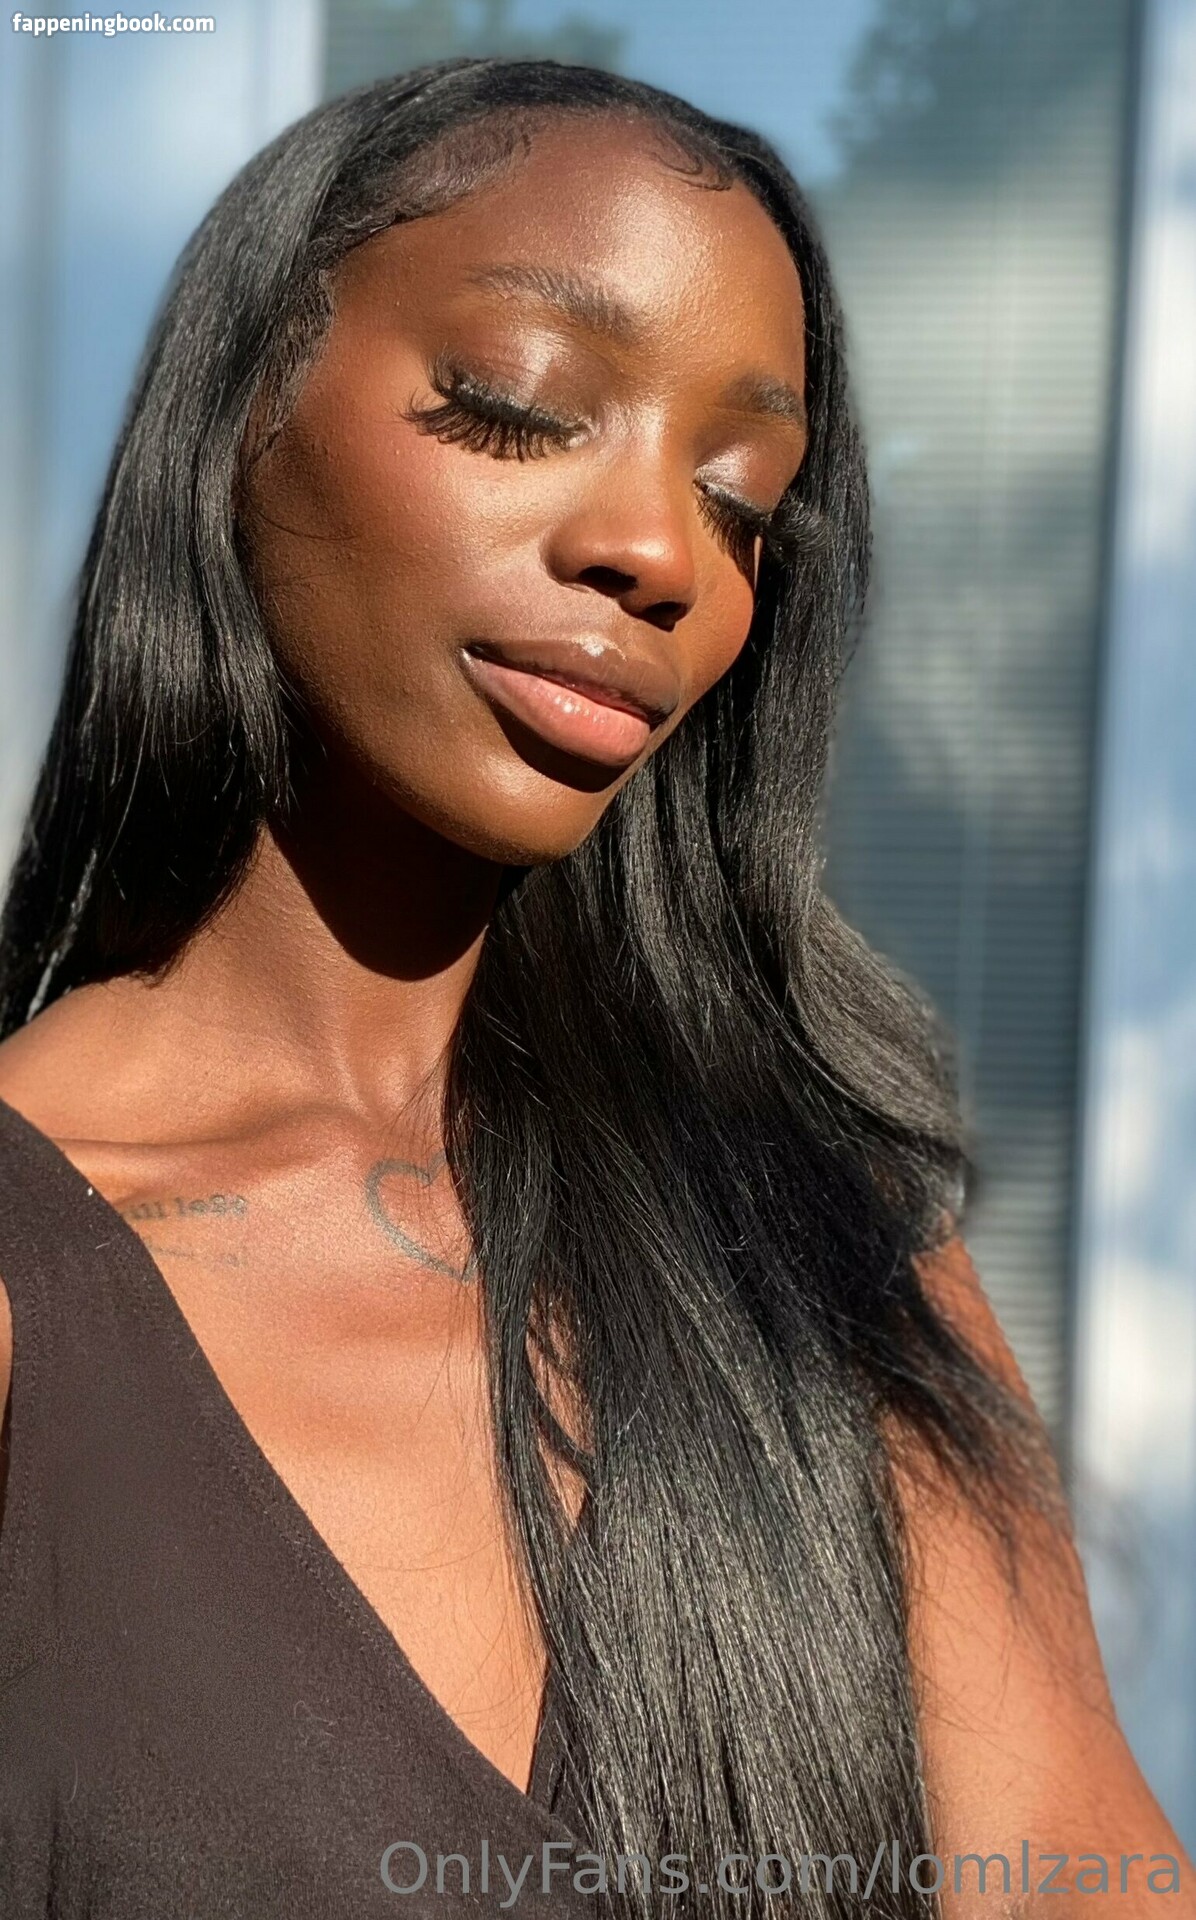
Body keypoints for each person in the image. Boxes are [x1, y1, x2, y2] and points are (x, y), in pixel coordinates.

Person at [0, 56, 1185, 1920]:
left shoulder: (826, 1251)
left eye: (742, 503)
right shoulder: (41, 1283)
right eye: (521, 403)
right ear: (243, 413)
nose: (658, 553)